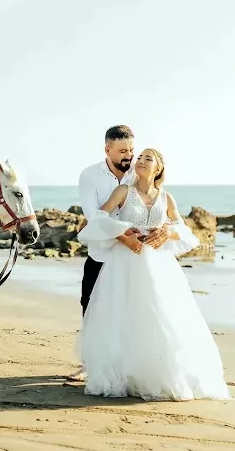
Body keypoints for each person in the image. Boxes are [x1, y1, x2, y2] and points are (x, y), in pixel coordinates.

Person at [75, 148, 231, 401]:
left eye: (148, 158)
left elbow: (182, 228)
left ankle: (162, 372)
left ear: (158, 168)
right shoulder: (123, 192)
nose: (141, 161)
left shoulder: (167, 198)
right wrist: (125, 236)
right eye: (140, 157)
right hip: (126, 261)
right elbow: (99, 219)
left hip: (159, 265)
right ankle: (125, 373)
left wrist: (169, 233)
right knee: (125, 313)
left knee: (162, 312)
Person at [66, 125, 169, 382]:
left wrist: (165, 230)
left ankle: (126, 364)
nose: (130, 155)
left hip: (134, 260)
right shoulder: (90, 175)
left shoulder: (140, 169)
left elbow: (157, 204)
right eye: (123, 150)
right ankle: (90, 364)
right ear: (107, 149)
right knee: (91, 306)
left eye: (132, 149)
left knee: (131, 310)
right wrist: (124, 238)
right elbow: (93, 216)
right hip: (102, 253)